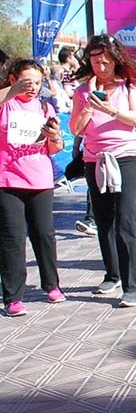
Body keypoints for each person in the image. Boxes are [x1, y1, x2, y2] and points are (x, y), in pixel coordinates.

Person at [69, 34, 136, 307]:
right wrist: (89, 106)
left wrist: (111, 110)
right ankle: (112, 274)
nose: (101, 66)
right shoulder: (82, 91)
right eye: (95, 61)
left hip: (125, 157)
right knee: (104, 220)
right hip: (94, 159)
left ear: (115, 60)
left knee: (126, 220)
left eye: (105, 61)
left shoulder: (130, 86)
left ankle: (132, 285)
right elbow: (76, 129)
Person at [0, 59, 66, 316]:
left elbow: (53, 148)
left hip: (39, 178)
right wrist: (13, 91)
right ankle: (13, 297)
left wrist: (55, 137)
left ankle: (52, 285)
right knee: (12, 239)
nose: (33, 88)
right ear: (13, 78)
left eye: (37, 83)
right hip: (8, 180)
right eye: (27, 82)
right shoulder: (6, 104)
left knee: (44, 234)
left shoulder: (44, 107)